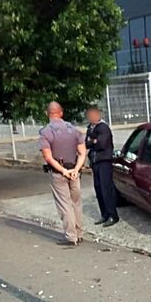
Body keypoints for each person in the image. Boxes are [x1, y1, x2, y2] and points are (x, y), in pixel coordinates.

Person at [39, 102, 87, 246]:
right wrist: (76, 169)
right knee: (76, 203)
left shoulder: (46, 132)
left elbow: (48, 157)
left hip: (59, 172)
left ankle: (71, 237)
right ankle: (79, 233)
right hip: (74, 171)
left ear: (48, 114)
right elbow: (82, 152)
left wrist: (63, 170)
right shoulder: (74, 130)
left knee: (64, 204)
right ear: (61, 113)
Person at [85, 106, 119, 227]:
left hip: (104, 161)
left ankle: (112, 215)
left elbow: (101, 144)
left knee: (106, 189)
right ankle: (104, 214)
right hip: (95, 162)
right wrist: (92, 141)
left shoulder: (103, 128)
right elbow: (86, 143)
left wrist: (93, 141)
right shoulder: (90, 127)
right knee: (98, 188)